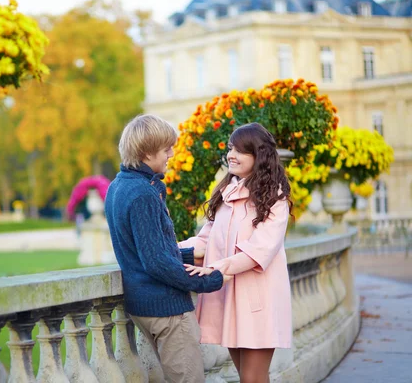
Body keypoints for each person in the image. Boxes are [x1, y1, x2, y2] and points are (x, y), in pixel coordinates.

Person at [105, 114, 230, 383]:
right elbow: (156, 262)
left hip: (143, 305)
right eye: (166, 149)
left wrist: (189, 255)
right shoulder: (142, 194)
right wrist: (211, 280)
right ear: (147, 152)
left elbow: (141, 250)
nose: (172, 153)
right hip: (166, 310)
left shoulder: (118, 187)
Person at [183, 122, 292, 383]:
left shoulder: (275, 198)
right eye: (231, 148)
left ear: (259, 156)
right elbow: (204, 240)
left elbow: (260, 249)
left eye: (240, 150)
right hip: (229, 298)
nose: (231, 154)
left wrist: (217, 268)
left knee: (252, 378)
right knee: (248, 377)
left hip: (258, 300)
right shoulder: (226, 194)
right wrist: (164, 249)